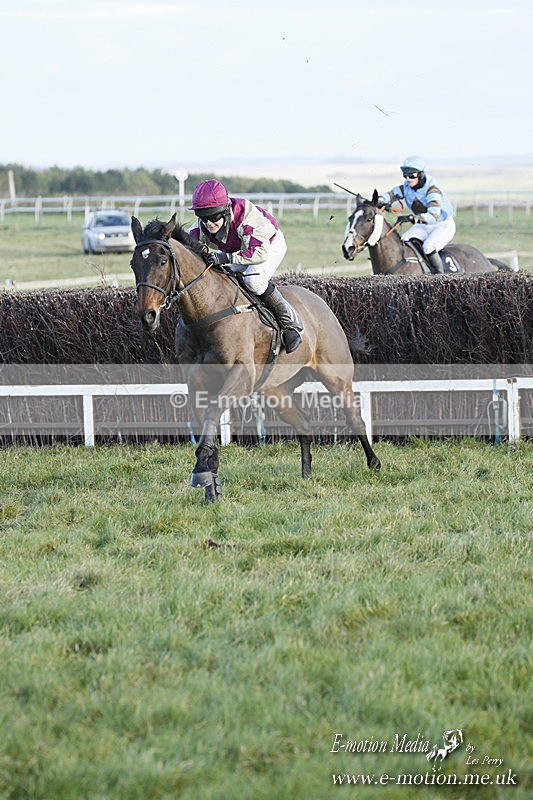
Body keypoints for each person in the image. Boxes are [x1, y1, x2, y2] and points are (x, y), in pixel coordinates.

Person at [187, 179, 303, 353]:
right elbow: (186, 246)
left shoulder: (246, 217)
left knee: (254, 282)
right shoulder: (202, 226)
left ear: (224, 210)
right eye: (203, 217)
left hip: (268, 245)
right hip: (239, 249)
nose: (209, 223)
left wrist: (225, 257)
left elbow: (259, 252)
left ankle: (290, 324)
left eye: (214, 216)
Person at [377, 156, 455, 274]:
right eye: (405, 176)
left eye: (412, 176)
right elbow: (391, 194)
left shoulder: (432, 190)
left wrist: (412, 218)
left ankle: (440, 277)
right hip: (423, 225)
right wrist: (381, 200)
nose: (408, 179)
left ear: (421, 175)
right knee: (403, 241)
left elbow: (433, 216)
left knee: (428, 247)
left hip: (442, 225)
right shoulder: (407, 187)